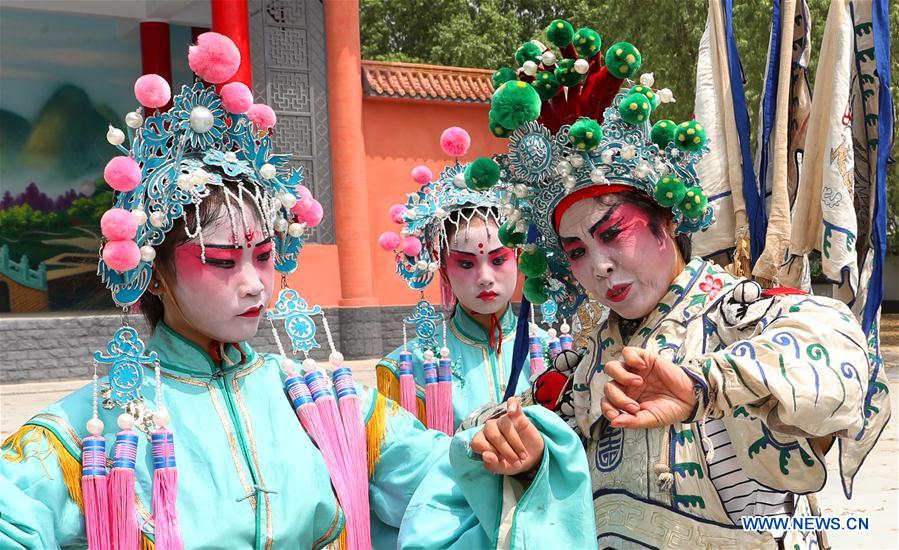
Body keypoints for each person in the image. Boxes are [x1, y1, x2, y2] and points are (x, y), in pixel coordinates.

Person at [1, 32, 596, 549]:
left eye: (263, 256)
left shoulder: (321, 402)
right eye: (223, 260)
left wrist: (505, 452)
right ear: (156, 269)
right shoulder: (94, 430)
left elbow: (438, 475)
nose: (253, 282)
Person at [429, 19, 891, 549]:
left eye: (612, 233)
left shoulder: (740, 316)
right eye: (577, 251)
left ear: (667, 221)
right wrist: (524, 446)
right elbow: (503, 428)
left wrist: (703, 386)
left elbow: (840, 353)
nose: (599, 265)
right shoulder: (582, 368)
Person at [375, 148, 545, 433]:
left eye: (498, 259)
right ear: (443, 271)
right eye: (466, 263)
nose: (485, 278)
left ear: (517, 258)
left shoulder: (555, 351)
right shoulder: (409, 368)